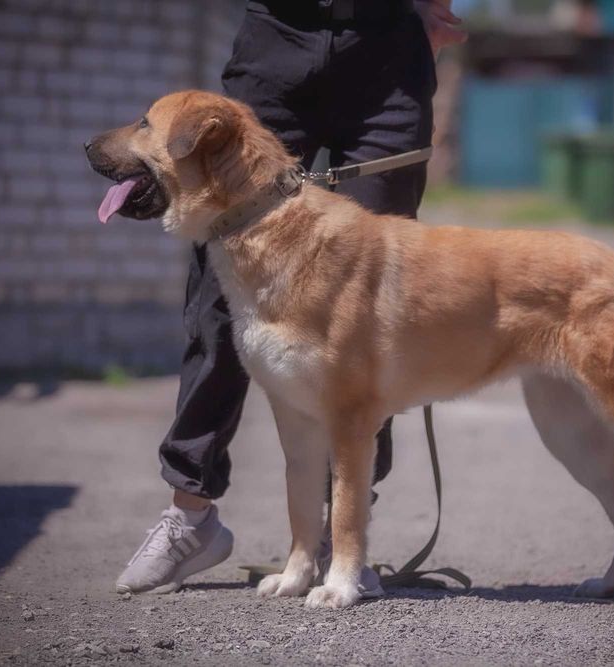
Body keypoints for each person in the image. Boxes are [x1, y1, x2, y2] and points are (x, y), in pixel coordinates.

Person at [115, 0, 466, 596]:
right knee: (220, 297)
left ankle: (340, 533)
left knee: (368, 308)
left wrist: (433, 14)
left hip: (386, 47)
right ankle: (191, 513)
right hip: (277, 39)